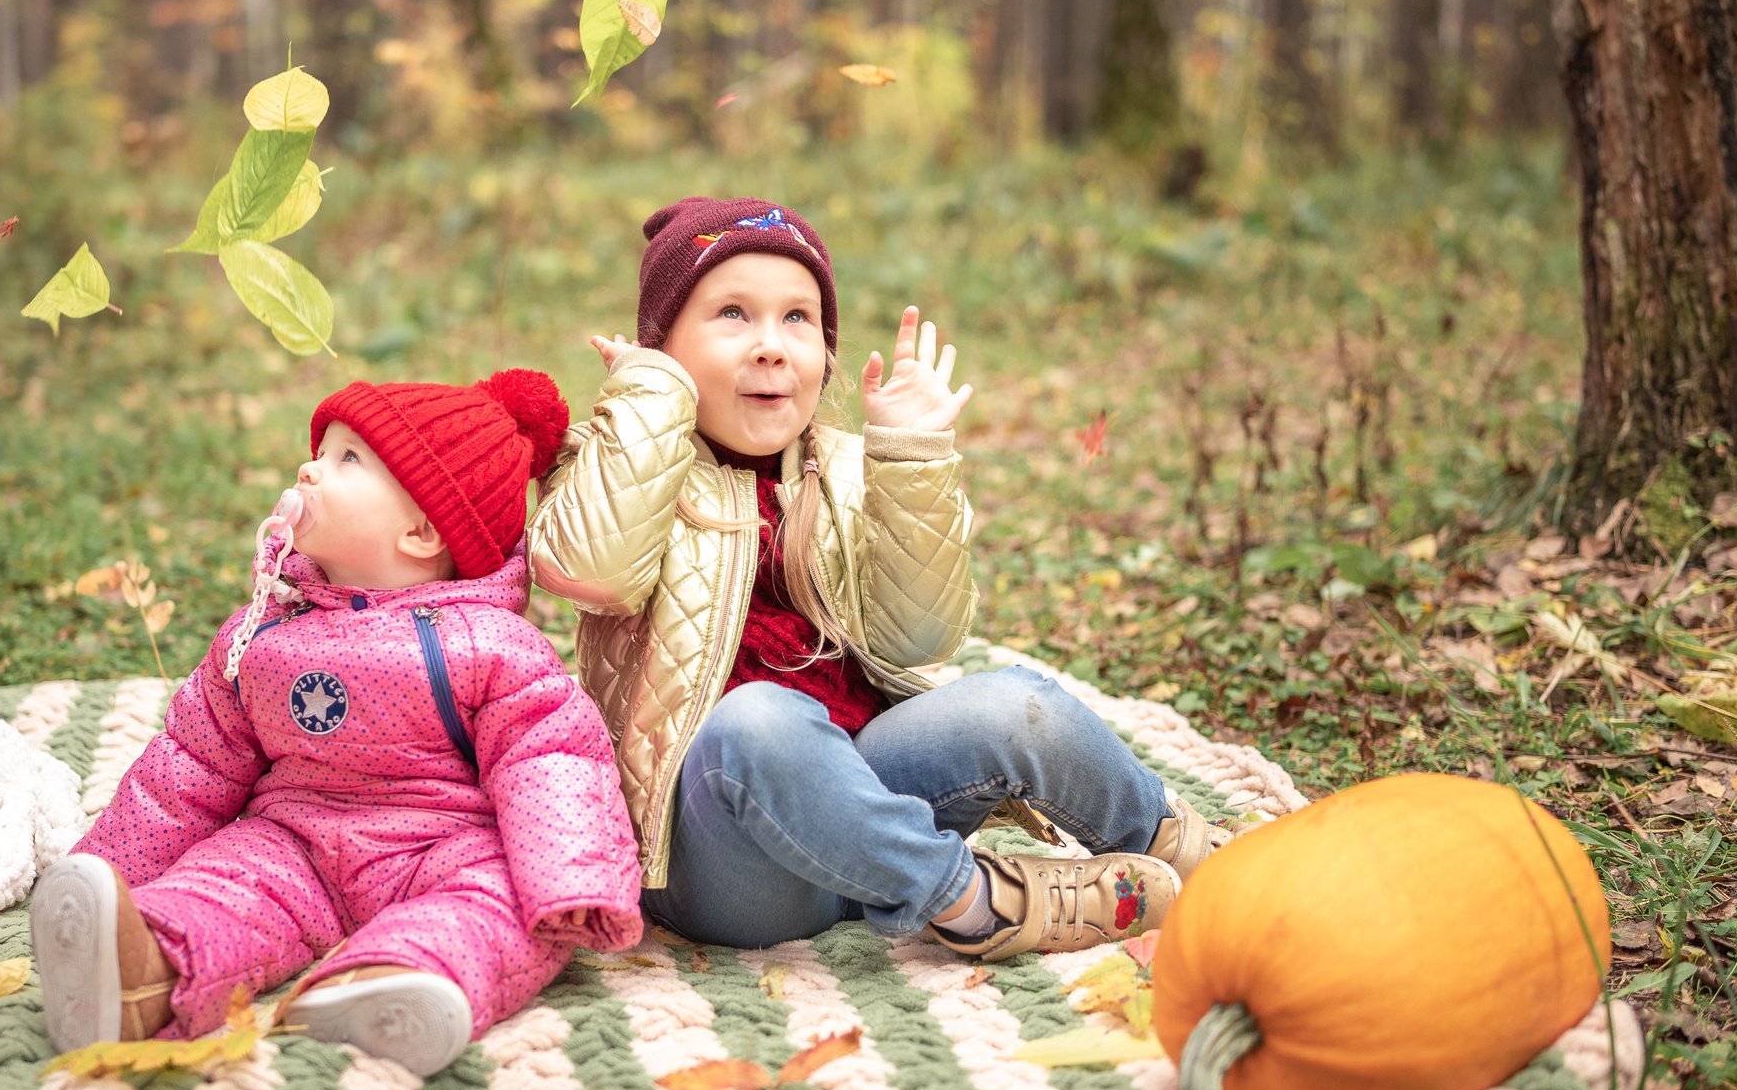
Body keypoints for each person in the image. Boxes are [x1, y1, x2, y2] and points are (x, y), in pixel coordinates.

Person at [529, 197, 1235, 960]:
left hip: (860, 804)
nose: (771, 346)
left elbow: (919, 636)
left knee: (1017, 700)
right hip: (724, 857)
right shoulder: (613, 461)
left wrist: (909, 460)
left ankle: (1203, 858)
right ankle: (974, 902)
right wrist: (650, 401)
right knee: (761, 719)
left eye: (797, 318)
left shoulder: (842, 468)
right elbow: (589, 570)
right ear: (662, 345)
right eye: (733, 313)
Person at [31, 370, 641, 1077]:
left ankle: (400, 974)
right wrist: (111, 868)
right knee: (222, 881)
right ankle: (140, 966)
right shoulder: (264, 632)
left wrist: (573, 883)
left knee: (500, 900)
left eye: (348, 458)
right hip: (294, 844)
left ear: (421, 530)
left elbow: (552, 758)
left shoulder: (486, 645)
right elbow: (191, 764)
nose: (309, 468)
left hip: (437, 845)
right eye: (322, 451)